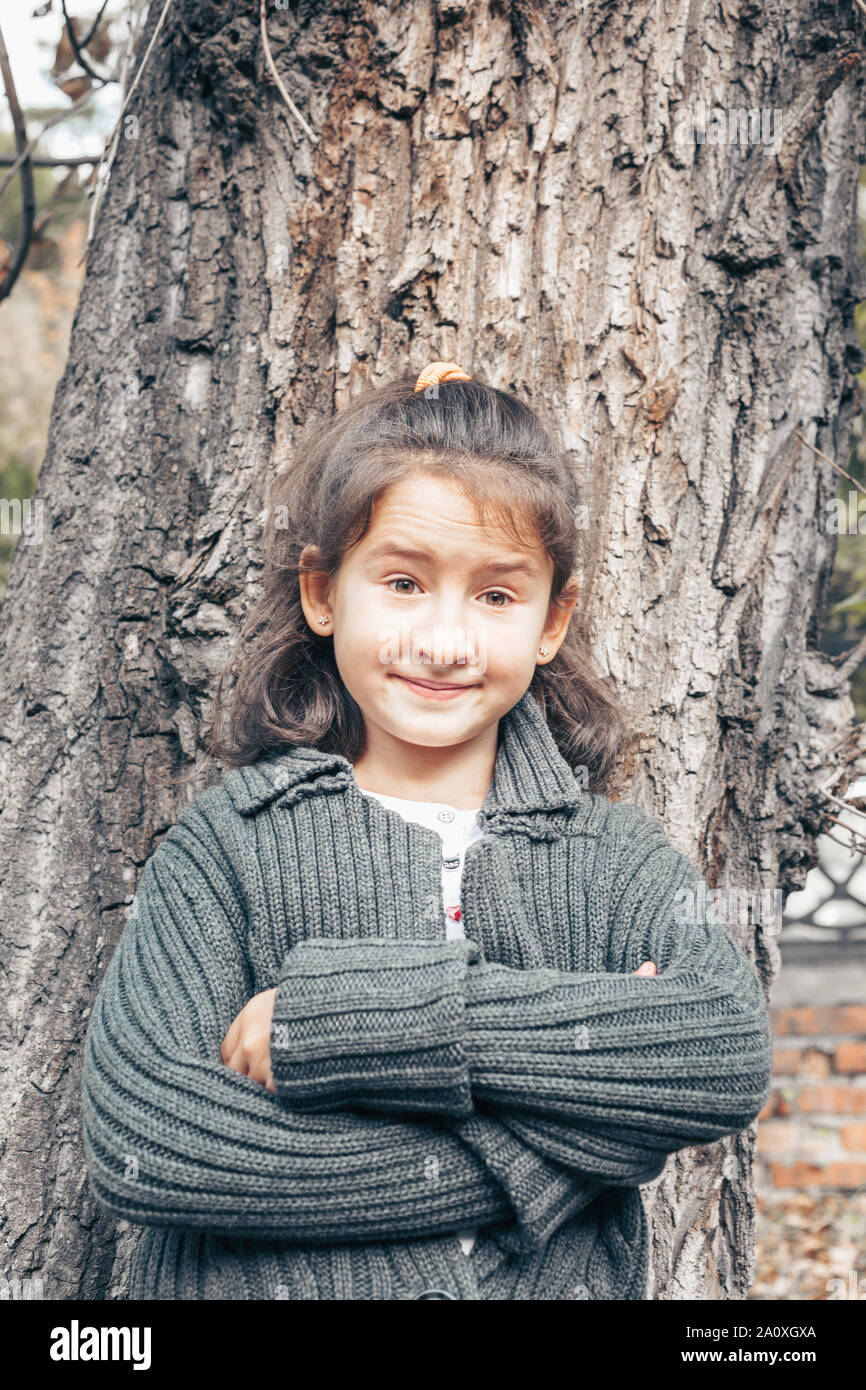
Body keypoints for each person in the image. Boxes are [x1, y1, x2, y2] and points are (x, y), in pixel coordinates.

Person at [80, 362, 773, 1300]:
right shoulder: (230, 846)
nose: (446, 641)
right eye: (404, 582)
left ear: (551, 620)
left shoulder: (612, 860)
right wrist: (532, 1159)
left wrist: (341, 1018)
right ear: (324, 594)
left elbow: (719, 1049)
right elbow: (150, 1142)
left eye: (496, 596)